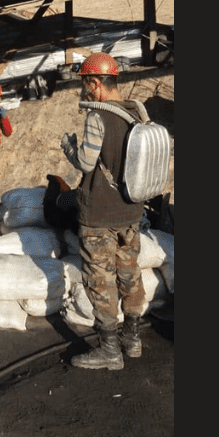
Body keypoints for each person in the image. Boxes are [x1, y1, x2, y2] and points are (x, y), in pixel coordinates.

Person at [59, 52, 148, 370]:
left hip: (99, 215)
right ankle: (132, 339)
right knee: (130, 274)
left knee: (100, 280)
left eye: (86, 84)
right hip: (131, 212)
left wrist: (69, 147)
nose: (84, 90)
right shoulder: (137, 112)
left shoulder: (97, 116)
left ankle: (109, 350)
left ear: (96, 83)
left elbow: (86, 163)